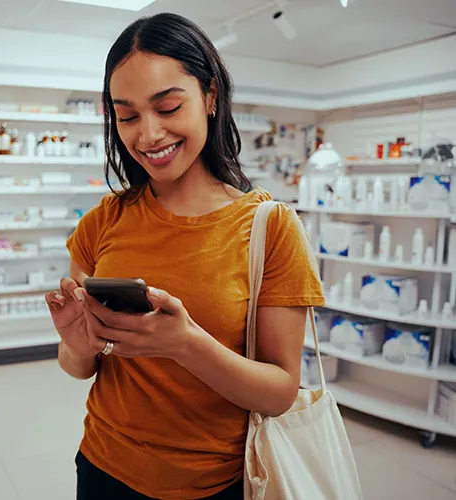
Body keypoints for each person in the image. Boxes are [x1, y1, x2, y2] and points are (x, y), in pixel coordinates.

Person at [45, 12, 324, 500]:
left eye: (168, 107)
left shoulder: (270, 227)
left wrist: (186, 344)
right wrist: (80, 341)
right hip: (102, 467)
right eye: (127, 116)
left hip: (215, 484)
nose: (148, 136)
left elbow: (281, 392)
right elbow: (77, 368)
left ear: (210, 96)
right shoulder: (103, 221)